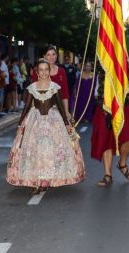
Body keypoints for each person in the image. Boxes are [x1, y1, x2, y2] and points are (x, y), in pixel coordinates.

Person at [7, 59, 85, 194]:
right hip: (34, 122)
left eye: (46, 69)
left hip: (53, 122)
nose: (43, 72)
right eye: (41, 70)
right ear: (37, 72)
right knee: (34, 151)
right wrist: (20, 124)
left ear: (49, 71)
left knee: (49, 152)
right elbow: (26, 106)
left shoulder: (55, 87)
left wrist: (67, 125)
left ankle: (46, 180)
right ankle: (35, 181)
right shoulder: (32, 87)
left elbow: (60, 107)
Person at [90, 62, 129, 187]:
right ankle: (108, 174)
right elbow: (97, 89)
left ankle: (122, 164)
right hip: (104, 106)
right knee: (106, 139)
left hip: (123, 106)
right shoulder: (102, 59)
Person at [30, 46, 71, 120]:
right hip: (41, 110)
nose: (51, 57)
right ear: (44, 56)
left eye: (53, 54)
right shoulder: (37, 70)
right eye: (48, 54)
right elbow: (33, 93)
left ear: (56, 56)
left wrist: (66, 111)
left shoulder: (62, 71)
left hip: (58, 110)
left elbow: (65, 94)